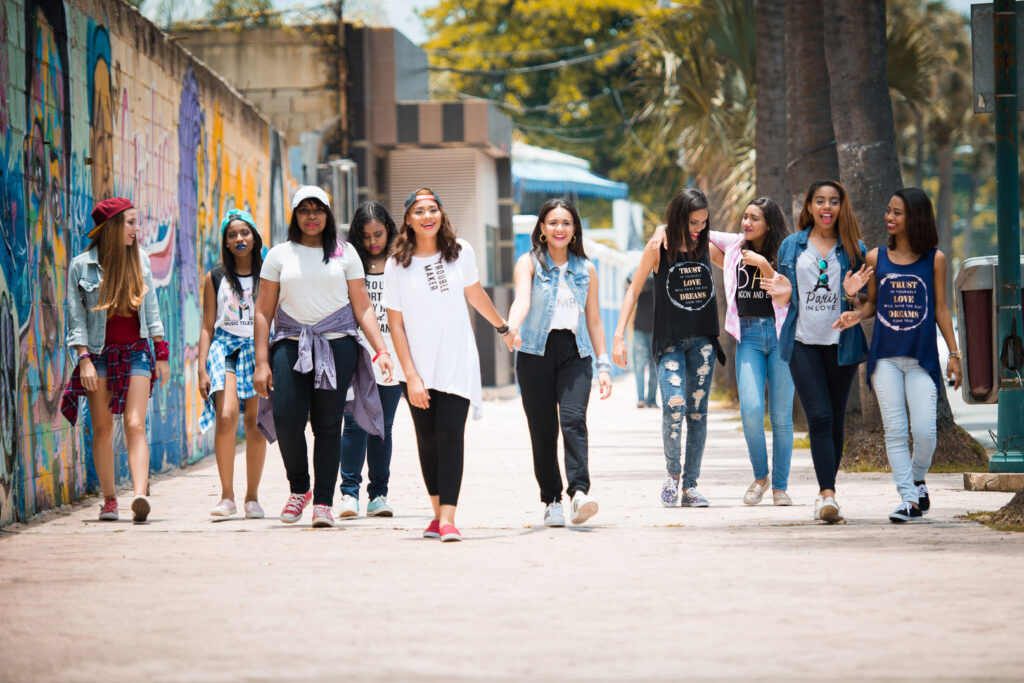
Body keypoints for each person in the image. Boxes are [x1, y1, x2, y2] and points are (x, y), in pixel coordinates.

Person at [252, 186, 393, 529]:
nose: (311, 216)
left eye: (318, 210)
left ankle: (325, 503)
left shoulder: (345, 254)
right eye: (304, 210)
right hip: (289, 343)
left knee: (329, 424)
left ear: (328, 215)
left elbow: (362, 307)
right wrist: (261, 362)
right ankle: (300, 489)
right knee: (287, 419)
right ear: (295, 215)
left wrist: (381, 350)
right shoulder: (279, 255)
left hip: (337, 346)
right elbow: (263, 311)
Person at [383, 188, 515, 542]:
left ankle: (449, 518)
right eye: (419, 211)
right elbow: (395, 323)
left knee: (450, 435)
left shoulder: (461, 252)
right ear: (408, 220)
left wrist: (502, 327)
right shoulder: (396, 265)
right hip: (414, 367)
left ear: (441, 214)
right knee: (426, 440)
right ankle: (436, 513)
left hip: (456, 360)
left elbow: (475, 295)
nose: (428, 216)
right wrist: (411, 376)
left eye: (433, 210)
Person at [834, 187, 962, 523]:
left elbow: (942, 309)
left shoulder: (935, 260)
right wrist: (853, 307)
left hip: (921, 358)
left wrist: (955, 353)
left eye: (897, 212)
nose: (888, 218)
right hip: (886, 357)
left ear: (915, 217)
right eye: (888, 211)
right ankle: (907, 498)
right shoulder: (877, 258)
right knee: (894, 429)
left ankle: (917, 479)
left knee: (924, 432)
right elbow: (871, 304)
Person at [762, 179, 869, 524]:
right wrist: (780, 293)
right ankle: (828, 496)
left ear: (842, 207)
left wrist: (853, 296)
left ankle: (828, 489)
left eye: (833, 201)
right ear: (808, 206)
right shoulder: (792, 247)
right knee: (819, 417)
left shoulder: (854, 248)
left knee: (835, 418)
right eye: (820, 201)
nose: (827, 208)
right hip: (802, 343)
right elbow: (784, 298)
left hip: (842, 344)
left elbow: (864, 303)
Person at [612, 188, 726, 508]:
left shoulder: (707, 245)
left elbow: (736, 256)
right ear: (676, 217)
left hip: (702, 342)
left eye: (704, 222)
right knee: (674, 406)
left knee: (697, 414)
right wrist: (619, 335)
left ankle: (691, 487)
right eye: (692, 222)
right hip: (669, 344)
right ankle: (672, 476)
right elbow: (633, 291)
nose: (698, 228)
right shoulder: (657, 246)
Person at [62, 197, 169, 522]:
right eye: (131, 222)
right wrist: (83, 360)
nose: (137, 229)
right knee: (103, 428)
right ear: (112, 227)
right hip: (98, 355)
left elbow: (150, 310)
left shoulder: (140, 261)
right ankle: (110, 500)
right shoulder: (84, 266)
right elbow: (77, 318)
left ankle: (139, 494)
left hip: (136, 351)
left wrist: (160, 351)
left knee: (135, 424)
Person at [505, 199, 611, 527]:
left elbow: (593, 320)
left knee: (573, 419)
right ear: (542, 229)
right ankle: (551, 499)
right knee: (543, 429)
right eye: (553, 223)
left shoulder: (586, 269)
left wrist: (604, 364)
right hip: (535, 350)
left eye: (566, 223)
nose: (559, 229)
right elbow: (522, 298)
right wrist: (511, 327)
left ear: (575, 228)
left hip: (574, 353)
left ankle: (579, 493)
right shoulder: (529, 263)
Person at [707, 198, 795, 506]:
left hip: (781, 335)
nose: (746, 223)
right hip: (749, 337)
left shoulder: (786, 251)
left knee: (781, 416)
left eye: (754, 218)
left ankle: (780, 486)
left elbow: (783, 293)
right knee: (751, 411)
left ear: (769, 223)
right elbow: (702, 232)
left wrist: (762, 264)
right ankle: (760, 476)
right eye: (745, 217)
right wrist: (669, 227)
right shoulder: (735, 246)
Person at [198, 209, 267, 519]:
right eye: (232, 235)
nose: (240, 239)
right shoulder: (215, 277)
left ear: (254, 237)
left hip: (258, 350)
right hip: (225, 348)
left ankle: (253, 497)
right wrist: (201, 367)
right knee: (226, 417)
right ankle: (227, 496)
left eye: (245, 233)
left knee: (255, 424)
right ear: (225, 242)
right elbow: (207, 325)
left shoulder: (268, 274)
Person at [337, 202, 401, 519]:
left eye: (378, 234)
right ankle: (349, 495)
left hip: (394, 359)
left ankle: (378, 495)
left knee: (382, 428)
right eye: (366, 236)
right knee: (354, 425)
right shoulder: (349, 265)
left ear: (389, 230)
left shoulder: (402, 264)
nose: (373, 241)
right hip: (358, 356)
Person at [627, 273, 658, 408]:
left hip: (656, 331)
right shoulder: (639, 276)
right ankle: (641, 399)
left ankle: (651, 400)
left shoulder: (659, 276)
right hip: (639, 329)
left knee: (655, 367)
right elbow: (628, 279)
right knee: (639, 366)